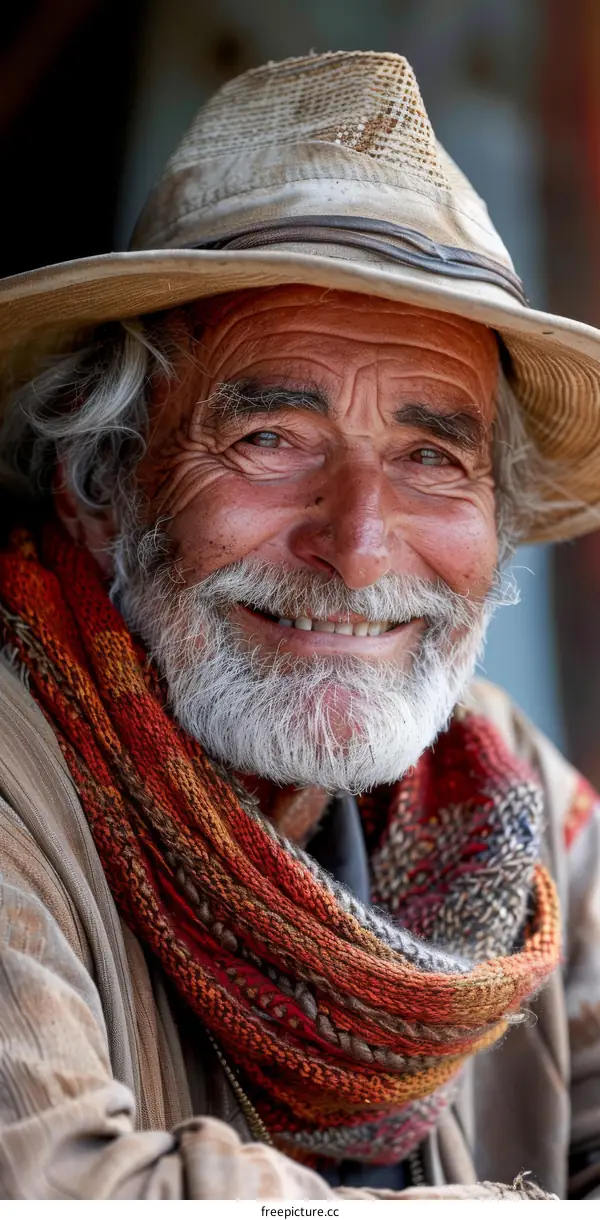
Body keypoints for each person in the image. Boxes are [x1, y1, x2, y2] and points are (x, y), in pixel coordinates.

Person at [0, 49, 598, 1202]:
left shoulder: (507, 791)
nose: (359, 543)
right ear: (104, 476)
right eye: (272, 438)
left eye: (432, 457)